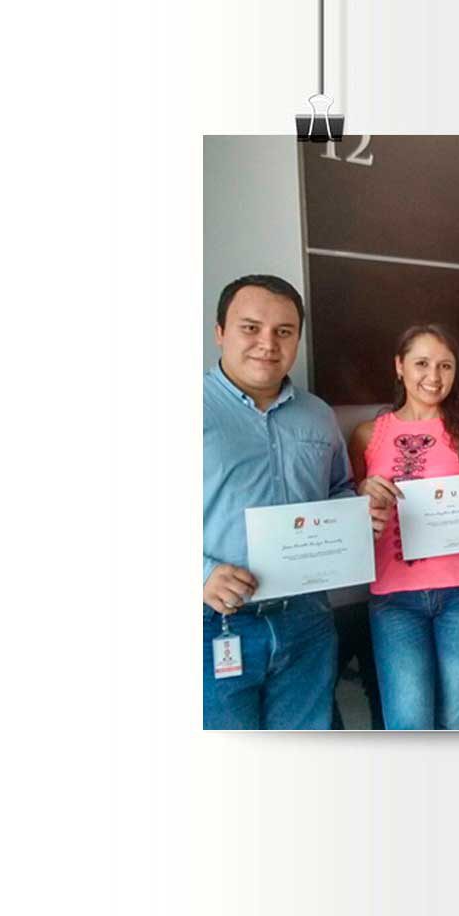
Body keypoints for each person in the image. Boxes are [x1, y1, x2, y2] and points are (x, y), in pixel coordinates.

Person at [348, 325, 459, 730]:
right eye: (422, 363)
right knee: (409, 721)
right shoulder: (367, 435)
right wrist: (361, 497)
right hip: (395, 596)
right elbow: (354, 522)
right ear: (399, 366)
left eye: (445, 366)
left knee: (457, 716)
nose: (433, 376)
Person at [202, 274, 355, 730]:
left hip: (307, 621)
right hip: (213, 624)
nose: (268, 344)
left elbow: (340, 490)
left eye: (283, 331)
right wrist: (200, 573)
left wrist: (358, 516)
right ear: (220, 332)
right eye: (251, 328)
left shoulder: (319, 415)